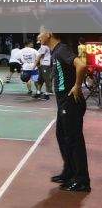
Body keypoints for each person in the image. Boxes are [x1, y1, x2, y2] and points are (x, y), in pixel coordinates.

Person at [38, 28, 90, 192]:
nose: (38, 36)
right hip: (63, 103)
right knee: (62, 136)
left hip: (70, 103)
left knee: (74, 140)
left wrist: (77, 86)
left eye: (40, 32)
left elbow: (81, 65)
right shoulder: (55, 52)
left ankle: (82, 180)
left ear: (49, 33)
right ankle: (69, 172)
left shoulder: (62, 50)